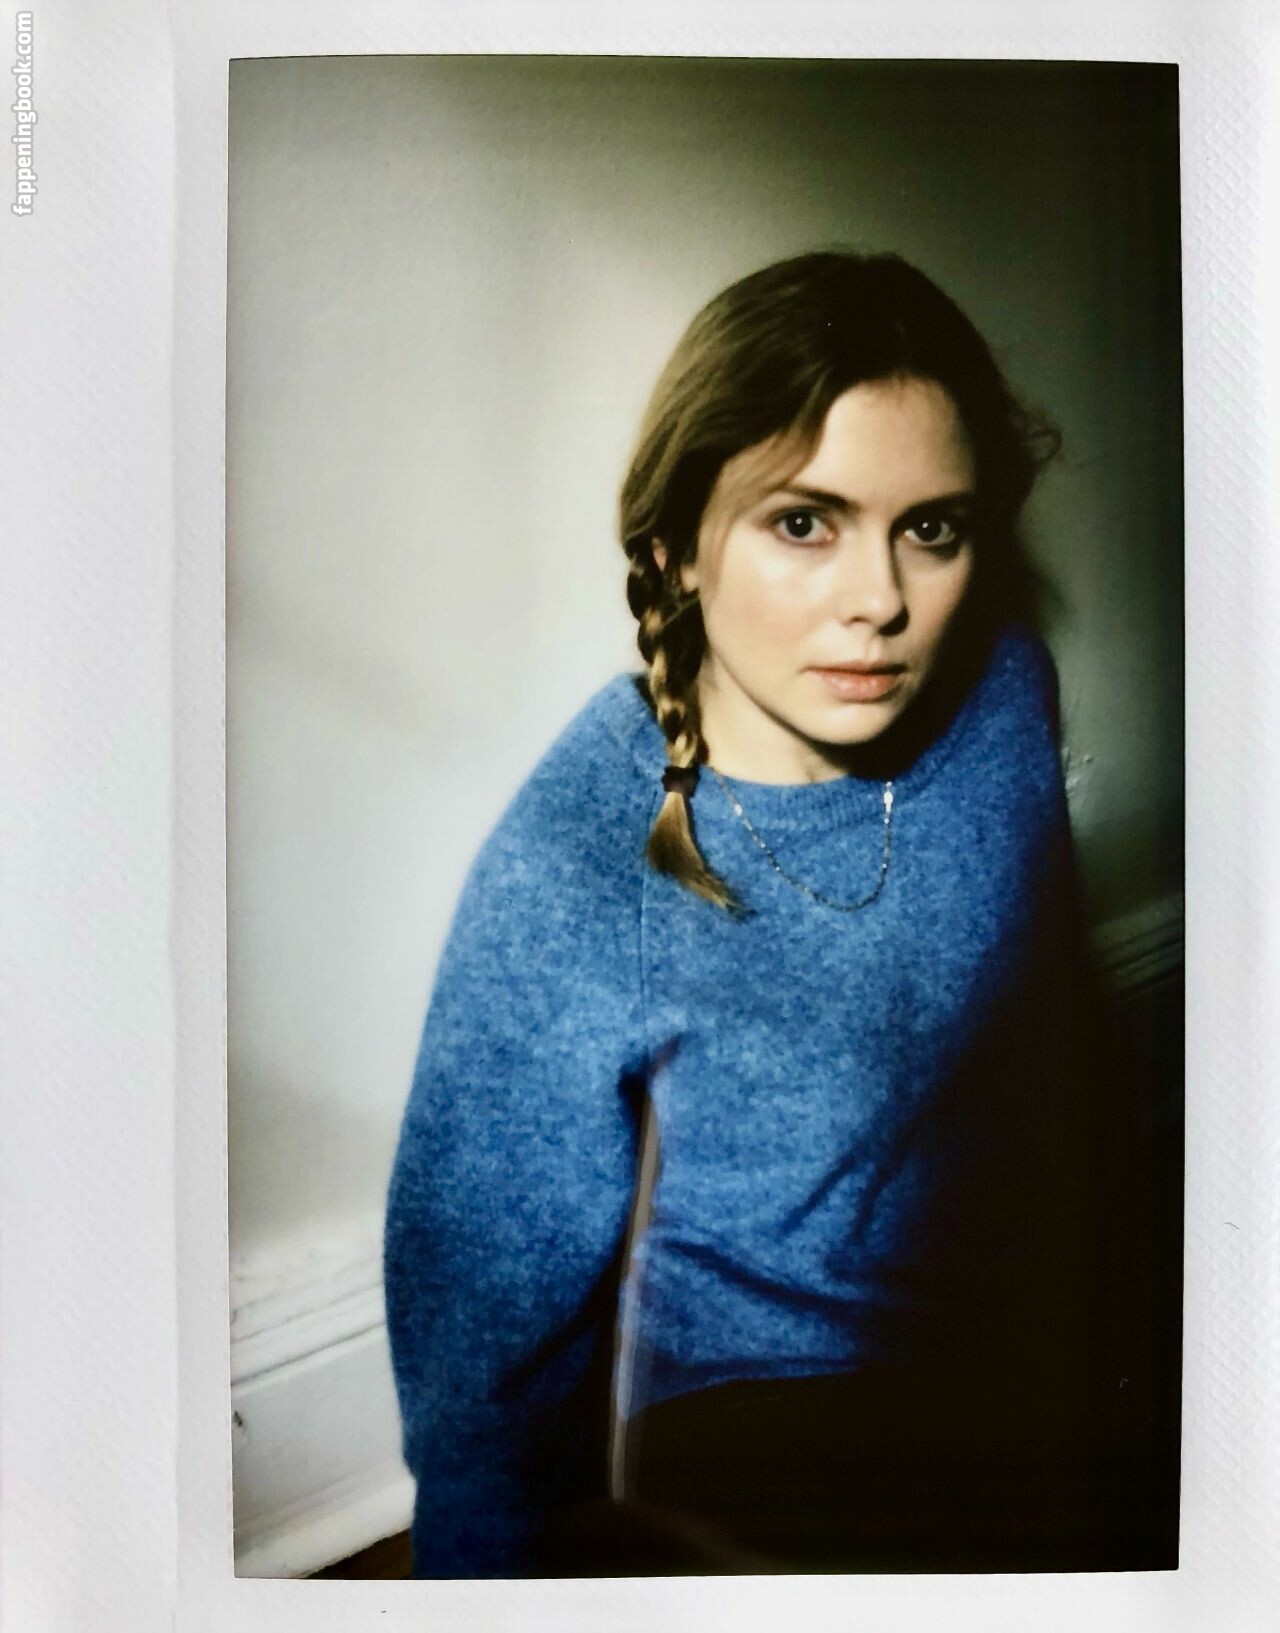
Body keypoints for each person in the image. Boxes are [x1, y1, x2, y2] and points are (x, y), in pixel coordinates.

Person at [382, 250, 1168, 1578]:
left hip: (1041, 1342)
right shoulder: (577, 858)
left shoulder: (1004, 696)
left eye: (932, 528)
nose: (882, 601)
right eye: (805, 522)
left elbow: (1049, 1061)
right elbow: (485, 1374)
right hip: (776, 1412)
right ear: (676, 546)